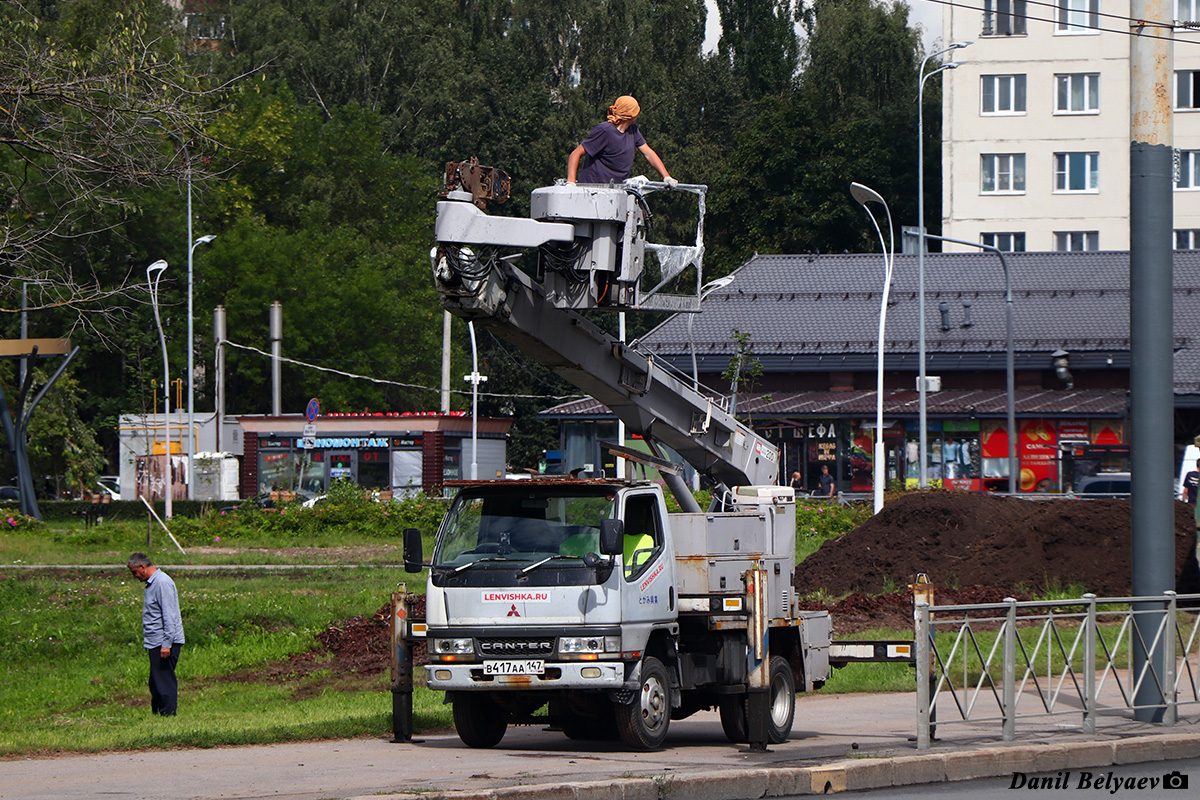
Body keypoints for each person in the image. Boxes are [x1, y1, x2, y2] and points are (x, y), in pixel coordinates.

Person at [567, 95, 676, 187]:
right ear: (630, 115)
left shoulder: (632, 130)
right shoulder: (605, 131)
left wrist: (666, 177)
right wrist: (571, 183)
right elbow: (575, 154)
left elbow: (649, 153)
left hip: (615, 190)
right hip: (593, 189)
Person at [127, 552, 185, 716]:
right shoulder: (153, 583)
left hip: (163, 643)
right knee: (156, 682)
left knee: (164, 681)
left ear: (142, 567)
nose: (134, 576)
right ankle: (158, 714)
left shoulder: (162, 583)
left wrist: (167, 643)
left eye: (134, 572)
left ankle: (168, 716)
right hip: (156, 642)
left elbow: (169, 615)